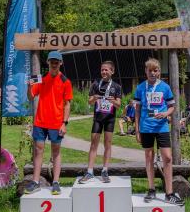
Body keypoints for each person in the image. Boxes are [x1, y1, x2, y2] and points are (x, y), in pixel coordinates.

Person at [134, 58, 184, 206]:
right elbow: (137, 110)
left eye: (155, 70)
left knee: (167, 158)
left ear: (159, 72)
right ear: (146, 72)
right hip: (146, 127)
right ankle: (151, 189)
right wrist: (137, 130)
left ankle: (169, 193)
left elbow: (172, 106)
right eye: (150, 70)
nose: (153, 73)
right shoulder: (140, 88)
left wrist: (166, 114)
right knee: (149, 158)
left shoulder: (165, 87)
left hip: (161, 127)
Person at [24, 51, 73, 195]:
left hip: (56, 123)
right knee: (38, 150)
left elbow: (67, 104)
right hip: (40, 121)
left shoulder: (65, 81)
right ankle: (35, 181)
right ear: (48, 62)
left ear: (61, 63)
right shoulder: (40, 79)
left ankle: (56, 182)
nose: (54, 63)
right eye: (52, 61)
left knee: (56, 152)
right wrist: (28, 86)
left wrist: (64, 123)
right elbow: (31, 97)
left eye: (56, 61)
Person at [79, 61, 121, 184]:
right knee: (93, 144)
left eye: (106, 70)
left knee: (107, 144)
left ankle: (105, 171)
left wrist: (113, 101)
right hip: (98, 118)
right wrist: (95, 97)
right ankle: (90, 171)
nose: (104, 72)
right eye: (102, 70)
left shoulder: (116, 86)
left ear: (112, 71)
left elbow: (119, 105)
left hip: (110, 119)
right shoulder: (95, 84)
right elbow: (90, 101)